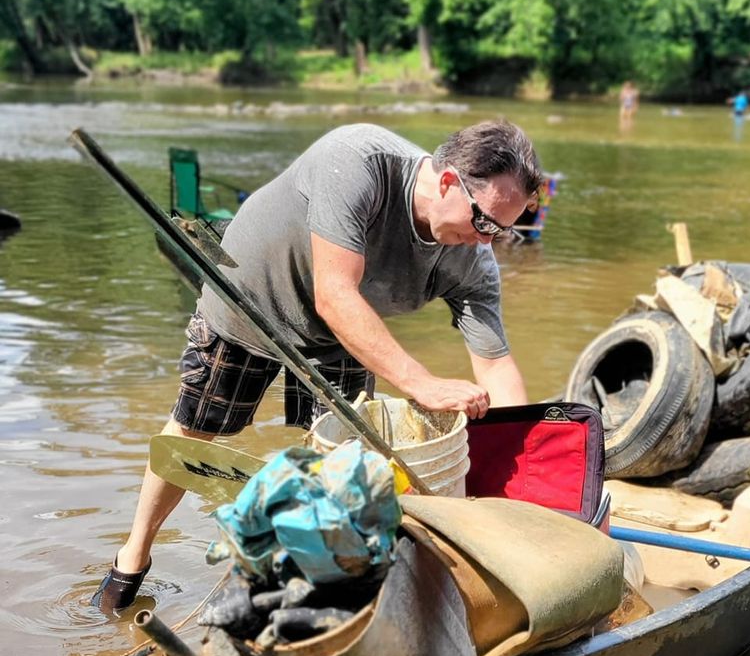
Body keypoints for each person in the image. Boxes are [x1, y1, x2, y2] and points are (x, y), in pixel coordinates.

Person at [92, 118, 542, 614]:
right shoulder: (359, 163)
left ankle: (313, 586)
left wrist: (517, 481)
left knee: (341, 460)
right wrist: (422, 384)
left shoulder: (474, 261)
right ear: (448, 181)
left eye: (504, 231)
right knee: (196, 429)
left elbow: (496, 367)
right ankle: (133, 556)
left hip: (343, 332)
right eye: (484, 223)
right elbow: (335, 294)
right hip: (251, 298)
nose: (487, 242)